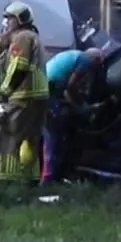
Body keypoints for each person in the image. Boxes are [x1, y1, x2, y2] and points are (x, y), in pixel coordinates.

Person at [0, 2, 51, 183]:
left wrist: (4, 92)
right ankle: (30, 178)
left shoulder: (22, 38)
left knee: (10, 137)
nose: (6, 22)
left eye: (9, 18)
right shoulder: (33, 36)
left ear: (19, 19)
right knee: (31, 139)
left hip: (23, 95)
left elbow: (18, 67)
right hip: (38, 96)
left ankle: (7, 181)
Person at [43, 46, 103, 182]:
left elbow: (68, 90)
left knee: (50, 133)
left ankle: (51, 174)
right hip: (48, 91)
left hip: (45, 86)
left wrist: (78, 104)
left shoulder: (75, 55)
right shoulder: (86, 60)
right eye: (98, 65)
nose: (95, 69)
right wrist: (83, 108)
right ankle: (49, 178)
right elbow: (71, 86)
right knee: (53, 135)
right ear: (95, 59)